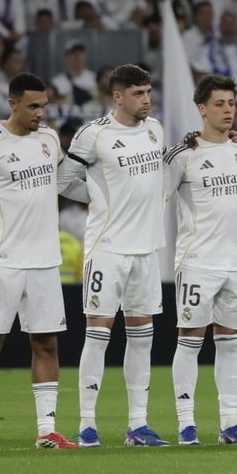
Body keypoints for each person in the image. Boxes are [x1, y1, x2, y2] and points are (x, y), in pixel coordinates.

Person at [164, 75, 237, 446]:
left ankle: (229, 424)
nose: (228, 110)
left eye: (231, 103)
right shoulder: (182, 155)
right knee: (190, 340)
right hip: (197, 260)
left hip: (236, 263)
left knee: (230, 342)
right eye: (219, 104)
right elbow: (154, 199)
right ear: (201, 109)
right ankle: (186, 424)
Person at [0, 73, 79, 451]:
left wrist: (112, 186)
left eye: (44, 106)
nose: (40, 113)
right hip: (5, 262)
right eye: (33, 106)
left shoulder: (48, 140)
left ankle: (47, 431)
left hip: (45, 262)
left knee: (46, 344)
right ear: (12, 104)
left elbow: (66, 183)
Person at [60, 64, 169, 448]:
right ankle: (87, 425)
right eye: (138, 94)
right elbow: (63, 181)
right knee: (98, 334)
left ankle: (137, 425)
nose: (147, 100)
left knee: (142, 338)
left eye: (149, 92)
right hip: (106, 248)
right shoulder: (93, 135)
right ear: (117, 97)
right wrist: (100, 197)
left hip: (146, 249)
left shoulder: (156, 130)